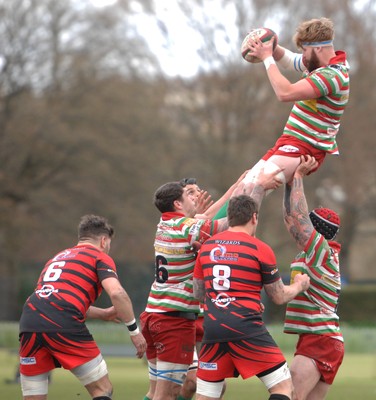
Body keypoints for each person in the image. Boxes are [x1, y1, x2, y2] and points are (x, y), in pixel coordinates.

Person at [140, 171, 281, 400]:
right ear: (177, 203)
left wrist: (237, 184)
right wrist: (258, 189)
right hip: (172, 319)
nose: (194, 198)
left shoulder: (167, 224)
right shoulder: (185, 228)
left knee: (160, 391)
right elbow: (233, 223)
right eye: (188, 195)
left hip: (155, 313)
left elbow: (205, 218)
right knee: (167, 395)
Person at [192, 194, 310, 400]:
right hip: (246, 327)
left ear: (229, 218)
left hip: (212, 329)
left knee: (206, 396)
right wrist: (299, 285)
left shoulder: (207, 247)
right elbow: (279, 296)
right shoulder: (260, 248)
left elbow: (199, 294)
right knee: (283, 388)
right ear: (254, 217)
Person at [18, 214, 146, 400]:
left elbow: (56, 298)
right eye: (109, 243)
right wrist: (135, 332)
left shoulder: (57, 258)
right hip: (62, 323)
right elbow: (118, 294)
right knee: (102, 389)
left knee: (34, 396)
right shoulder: (98, 256)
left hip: (30, 321)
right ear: (103, 241)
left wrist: (102, 314)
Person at [241, 17, 350, 192]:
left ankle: (223, 221)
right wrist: (268, 44)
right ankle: (203, 219)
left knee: (251, 189)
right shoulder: (321, 63)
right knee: (240, 187)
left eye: (305, 50)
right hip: (291, 140)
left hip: (306, 147)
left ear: (318, 48)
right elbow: (291, 60)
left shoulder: (333, 76)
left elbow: (285, 93)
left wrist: (267, 58)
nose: (303, 56)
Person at [282, 155, 344, 400]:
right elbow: (291, 217)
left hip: (320, 339)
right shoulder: (316, 253)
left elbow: (299, 217)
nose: (300, 227)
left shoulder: (322, 252)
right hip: (323, 339)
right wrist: (288, 181)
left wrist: (298, 177)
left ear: (316, 230)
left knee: (284, 395)